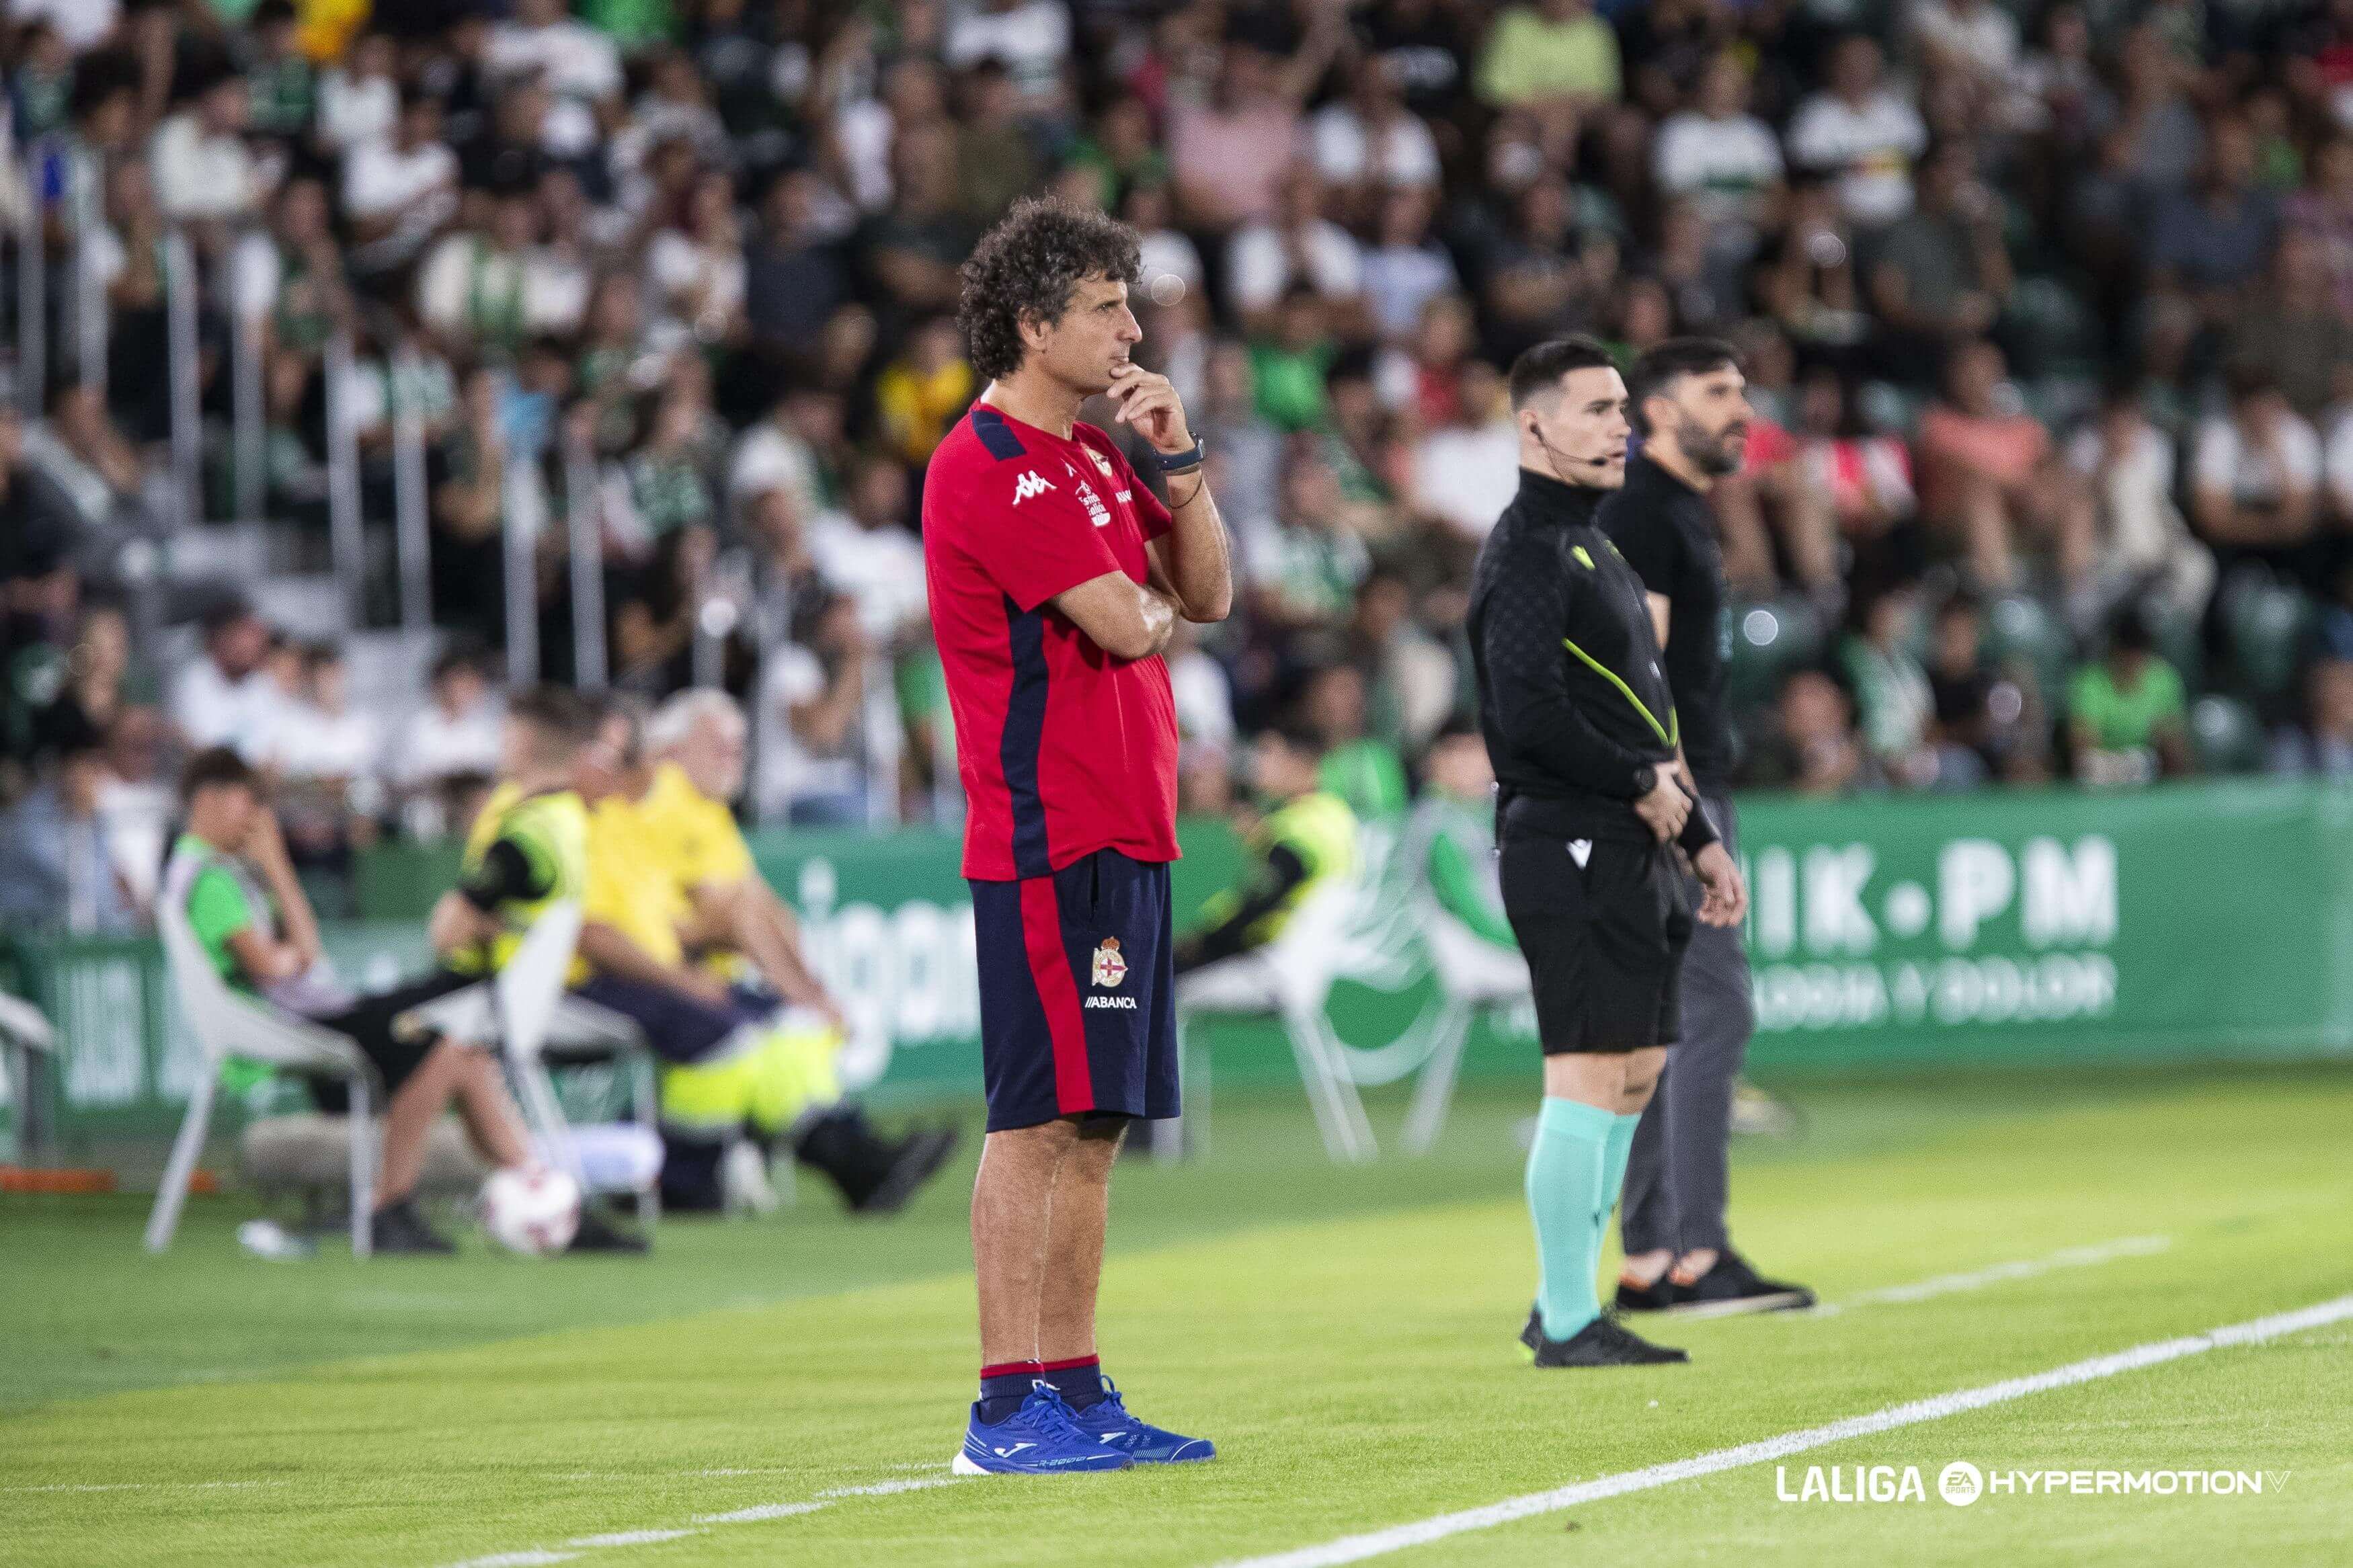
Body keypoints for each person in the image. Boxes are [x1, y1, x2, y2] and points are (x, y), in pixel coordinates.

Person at [924, 198, 1232, 1474]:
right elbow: (1122, 622)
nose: (1131, 328)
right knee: (1035, 1120)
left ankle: (1076, 1384)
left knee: (1096, 1121)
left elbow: (1202, 595)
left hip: (1132, 826)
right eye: (1104, 307)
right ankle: (1005, 1407)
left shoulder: (1106, 458)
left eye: (1129, 303)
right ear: (1033, 322)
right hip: (1049, 837)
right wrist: (1148, 600)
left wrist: (1178, 461)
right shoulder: (987, 462)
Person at [1466, 335, 1747, 1369]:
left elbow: (1644, 710)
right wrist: (1642, 789)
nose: (1618, 425)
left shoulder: (1593, 543)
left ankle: (1578, 1305)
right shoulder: (1531, 550)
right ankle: (1566, 1313)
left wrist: (1699, 836)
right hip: (1568, 840)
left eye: (1622, 407)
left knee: (1632, 1073)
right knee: (1586, 1076)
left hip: (1631, 841)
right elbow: (1528, 715)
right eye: (1593, 409)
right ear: (1533, 425)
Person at [1599, 339, 1815, 1319]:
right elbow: (1636, 664)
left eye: (1744, 390)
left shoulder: (1669, 506)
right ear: (1655, 407)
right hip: (1674, 794)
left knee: (1665, 1019)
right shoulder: (1646, 509)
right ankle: (1689, 1254)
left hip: (1667, 789)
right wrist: (1684, 813)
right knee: (1708, 1012)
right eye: (1718, 391)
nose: (1741, 409)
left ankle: (1654, 1255)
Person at [564, 701, 949, 1214]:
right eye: (719, 745)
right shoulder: (605, 817)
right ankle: (679, 1175)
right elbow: (615, 931)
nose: (733, 757)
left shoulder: (654, 810)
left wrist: (808, 991)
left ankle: (857, 1158)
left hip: (669, 969)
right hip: (613, 978)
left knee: (791, 1029)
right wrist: (693, 975)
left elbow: (752, 905)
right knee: (735, 1036)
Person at [163, 725, 535, 1254]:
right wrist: (278, 887)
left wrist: (276, 869)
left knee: (457, 1044)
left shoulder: (206, 871)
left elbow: (304, 952)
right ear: (209, 798)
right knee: (443, 1033)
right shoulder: (210, 878)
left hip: (305, 1012)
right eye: (251, 803)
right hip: (290, 1020)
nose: (256, 819)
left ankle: (530, 1180)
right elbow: (276, 963)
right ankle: (397, 1204)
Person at [1171, 724, 1359, 977]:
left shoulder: (1304, 824)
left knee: (1176, 987)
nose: (1256, 763)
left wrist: (1202, 945)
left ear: (1301, 763)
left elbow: (1262, 900)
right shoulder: (1328, 813)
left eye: (1267, 752)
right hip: (1316, 960)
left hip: (1286, 962)